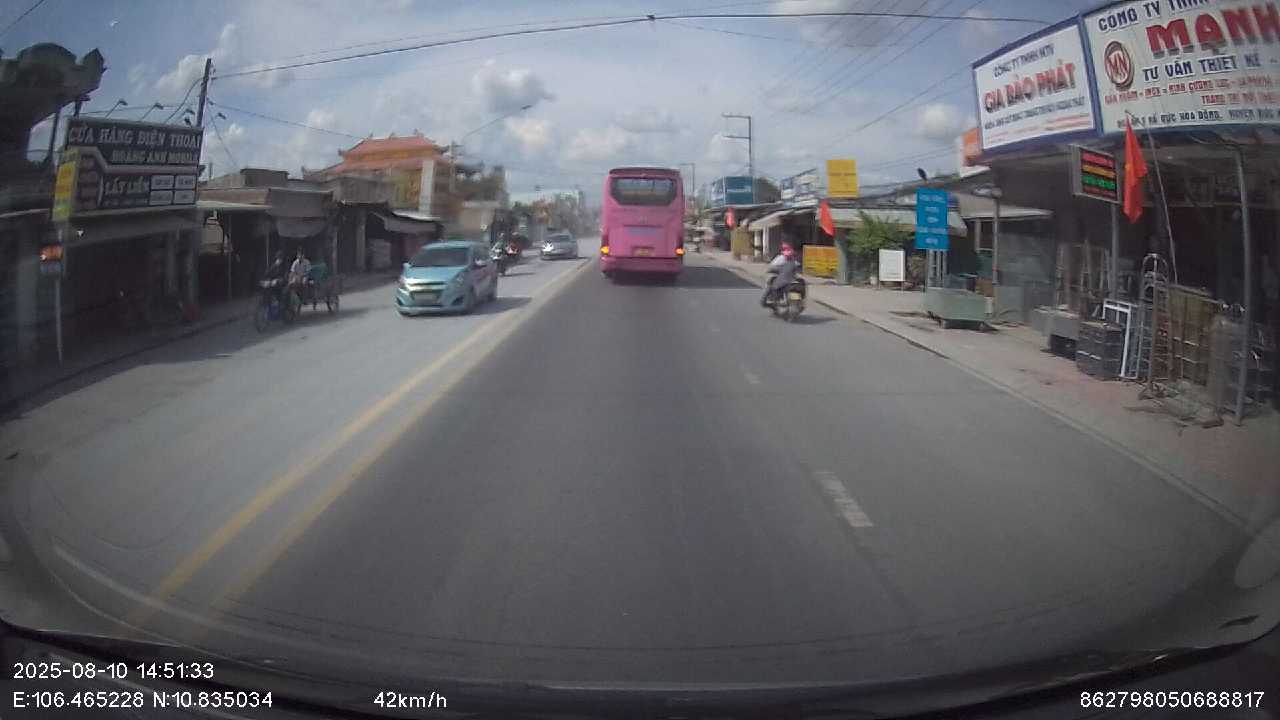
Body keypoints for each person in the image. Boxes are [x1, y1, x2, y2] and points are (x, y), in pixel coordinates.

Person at [762, 242, 799, 307]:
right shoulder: (781, 258)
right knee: (772, 283)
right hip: (777, 275)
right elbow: (772, 267)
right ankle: (768, 298)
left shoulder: (790, 259)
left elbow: (795, 266)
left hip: (785, 276)